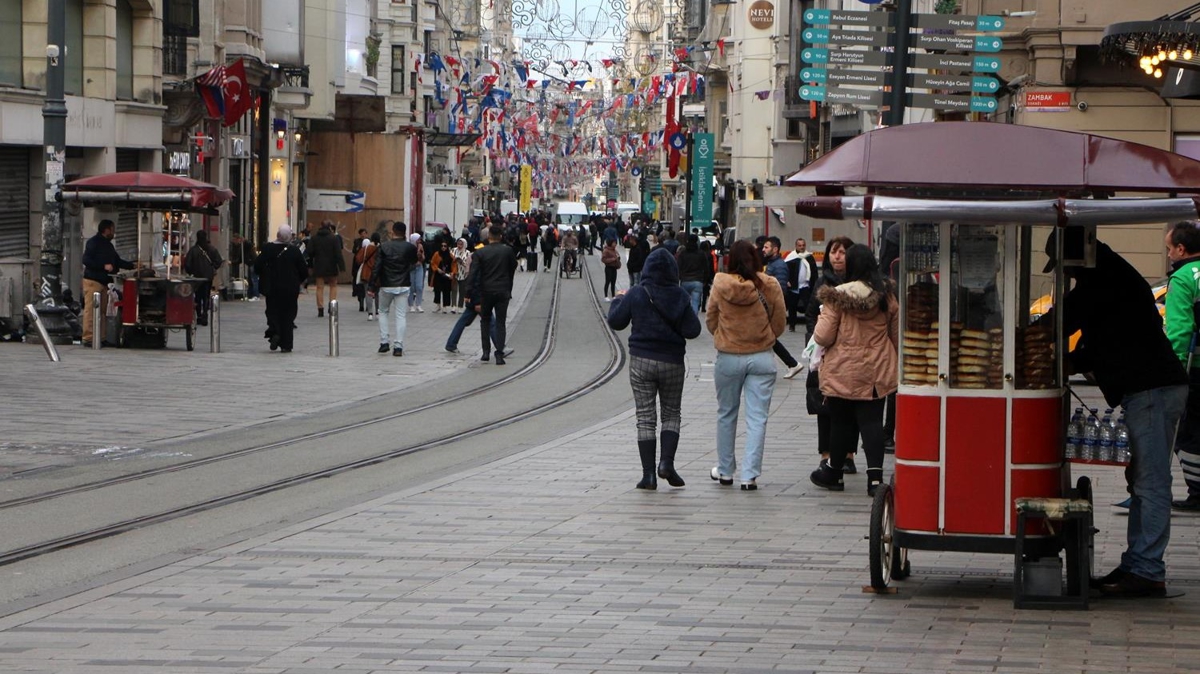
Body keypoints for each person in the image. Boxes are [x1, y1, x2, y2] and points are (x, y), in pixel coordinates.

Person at [1044, 228, 1187, 598]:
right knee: (1141, 479)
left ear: (1078, 259)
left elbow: (1064, 321)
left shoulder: (1102, 284)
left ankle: (1146, 570)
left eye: (1066, 268)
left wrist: (1050, 352)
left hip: (1153, 389)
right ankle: (1137, 562)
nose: (1069, 275)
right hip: (1151, 388)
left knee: (1151, 482)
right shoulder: (1112, 275)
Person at [807, 244, 899, 496]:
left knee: (840, 422)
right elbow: (896, 336)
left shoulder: (837, 297)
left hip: (843, 369)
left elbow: (823, 336)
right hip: (876, 370)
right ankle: (875, 479)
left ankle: (833, 472)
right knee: (871, 422)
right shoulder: (886, 296)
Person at [607, 247, 702, 490]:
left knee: (645, 417)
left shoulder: (637, 292)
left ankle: (648, 475)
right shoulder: (680, 295)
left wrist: (619, 298)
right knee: (671, 413)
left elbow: (616, 321)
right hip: (672, 361)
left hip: (642, 361)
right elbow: (693, 331)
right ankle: (667, 464)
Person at [706, 239, 787, 491]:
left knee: (726, 414)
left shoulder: (720, 284)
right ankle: (749, 476)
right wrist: (765, 336)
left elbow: (711, 319)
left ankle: (725, 470)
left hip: (729, 356)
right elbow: (780, 321)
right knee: (757, 418)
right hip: (762, 356)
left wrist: (725, 335)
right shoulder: (770, 285)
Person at [806, 236, 855, 472]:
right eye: (834, 252)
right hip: (825, 350)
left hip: (851, 353)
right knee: (824, 406)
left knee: (853, 404)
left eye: (842, 252)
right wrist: (814, 342)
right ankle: (826, 453)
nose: (837, 256)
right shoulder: (822, 282)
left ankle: (848, 455)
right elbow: (809, 313)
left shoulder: (859, 283)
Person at [1163, 221, 1200, 511]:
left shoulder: (1183, 278)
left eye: (1169, 249)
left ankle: (1197, 491)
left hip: (1195, 365)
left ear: (1181, 249)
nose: (1168, 255)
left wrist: (1171, 369)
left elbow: (1179, 329)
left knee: (1188, 431)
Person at [253, 225, 309, 352]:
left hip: (272, 287)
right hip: (290, 288)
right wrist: (298, 281)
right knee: (288, 315)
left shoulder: (268, 248)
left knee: (272, 311)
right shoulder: (294, 251)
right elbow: (304, 271)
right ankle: (286, 344)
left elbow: (257, 266)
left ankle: (275, 331)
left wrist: (264, 276)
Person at [81, 219, 135, 347]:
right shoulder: (93, 242)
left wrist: (133, 265)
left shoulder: (109, 245)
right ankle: (88, 337)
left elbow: (117, 261)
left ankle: (101, 337)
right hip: (93, 281)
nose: (114, 232)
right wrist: (103, 266)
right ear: (106, 230)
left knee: (103, 311)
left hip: (104, 282)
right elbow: (86, 260)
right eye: (113, 229)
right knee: (90, 310)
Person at [470, 225, 519, 364]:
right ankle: (499, 353)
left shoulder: (481, 252)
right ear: (501, 237)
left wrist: (469, 293)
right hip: (503, 291)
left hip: (486, 291)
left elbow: (473, 274)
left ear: (488, 236)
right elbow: (513, 267)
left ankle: (486, 352)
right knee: (500, 322)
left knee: (485, 321)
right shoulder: (508, 251)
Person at [370, 222, 419, 356]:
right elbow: (414, 263)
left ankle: (384, 341)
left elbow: (376, 268)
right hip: (403, 284)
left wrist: (371, 286)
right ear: (404, 232)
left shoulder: (384, 247)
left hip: (386, 285)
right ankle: (398, 346)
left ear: (393, 232)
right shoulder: (410, 247)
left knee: (383, 311)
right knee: (400, 315)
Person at [761, 236, 804, 380]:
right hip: (768, 306)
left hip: (770, 307)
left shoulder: (779, 265)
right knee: (767, 338)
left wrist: (771, 307)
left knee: (768, 337)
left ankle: (792, 363)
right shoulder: (772, 264)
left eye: (766, 247)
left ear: (775, 249)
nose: (763, 249)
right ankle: (790, 364)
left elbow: (779, 289)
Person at [183, 229, 223, 326]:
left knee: (197, 296)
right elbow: (219, 261)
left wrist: (191, 272)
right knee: (206, 296)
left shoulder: (193, 250)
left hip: (197, 277)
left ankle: (199, 315)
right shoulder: (212, 249)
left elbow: (187, 264)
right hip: (207, 277)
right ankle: (205, 314)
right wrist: (212, 267)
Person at [309, 221, 345, 317]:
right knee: (333, 286)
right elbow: (338, 253)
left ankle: (320, 308)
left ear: (320, 227)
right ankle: (331, 306)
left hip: (319, 265)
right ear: (329, 228)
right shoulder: (334, 238)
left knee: (319, 287)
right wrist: (341, 266)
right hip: (331, 266)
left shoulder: (314, 238)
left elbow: (310, 252)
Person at [784, 237, 817, 332]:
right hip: (793, 287)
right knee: (792, 307)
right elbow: (786, 271)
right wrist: (787, 280)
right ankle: (792, 325)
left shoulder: (809, 257)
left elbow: (814, 272)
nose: (801, 247)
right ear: (796, 246)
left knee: (808, 306)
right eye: (799, 245)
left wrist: (814, 284)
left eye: (803, 245)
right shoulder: (791, 257)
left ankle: (809, 326)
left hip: (805, 286)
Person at [676, 234, 710, 315]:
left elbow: (678, 267)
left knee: (685, 303)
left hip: (685, 280)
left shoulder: (683, 253)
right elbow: (706, 268)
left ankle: (685, 320)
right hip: (698, 280)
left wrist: (679, 278)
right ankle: (694, 320)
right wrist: (705, 280)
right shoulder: (701, 254)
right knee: (695, 303)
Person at [357, 232, 381, 320]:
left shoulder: (367, 248)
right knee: (377, 293)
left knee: (368, 293)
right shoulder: (381, 248)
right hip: (378, 274)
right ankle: (378, 312)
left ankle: (370, 313)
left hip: (367, 273)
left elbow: (358, 259)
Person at [429, 240, 457, 312]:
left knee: (446, 291)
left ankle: (445, 306)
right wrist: (437, 269)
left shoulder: (450, 255)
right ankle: (438, 305)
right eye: (442, 246)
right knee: (437, 290)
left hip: (447, 275)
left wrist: (453, 273)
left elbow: (454, 265)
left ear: (447, 247)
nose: (443, 247)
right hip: (438, 275)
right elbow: (432, 262)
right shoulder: (437, 254)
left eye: (445, 246)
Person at [229, 233, 258, 300]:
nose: (234, 243)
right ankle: (250, 295)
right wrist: (232, 262)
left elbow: (250, 245)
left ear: (238, 239)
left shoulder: (245, 244)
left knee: (254, 280)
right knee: (250, 280)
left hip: (252, 263)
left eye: (234, 241)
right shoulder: (241, 247)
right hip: (250, 264)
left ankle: (256, 295)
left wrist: (244, 241)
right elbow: (240, 258)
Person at [450, 238, 472, 314]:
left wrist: (462, 262)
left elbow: (468, 264)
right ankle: (453, 306)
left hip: (463, 274)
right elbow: (449, 260)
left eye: (461, 244)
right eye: (458, 244)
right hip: (455, 272)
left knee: (462, 291)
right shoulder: (453, 250)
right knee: (454, 290)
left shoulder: (467, 253)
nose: (459, 246)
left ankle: (460, 306)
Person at [407, 232, 427, 312]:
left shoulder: (420, 246)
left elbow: (423, 257)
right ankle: (411, 305)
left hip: (419, 267)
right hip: (411, 268)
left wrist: (421, 255)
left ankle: (418, 304)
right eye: (418, 239)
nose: (419, 241)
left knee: (419, 286)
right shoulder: (409, 247)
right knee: (411, 287)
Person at [351, 227, 370, 312]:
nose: (363, 235)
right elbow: (354, 252)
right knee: (360, 287)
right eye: (361, 233)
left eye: (364, 233)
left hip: (367, 269)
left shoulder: (370, 242)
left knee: (366, 287)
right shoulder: (357, 242)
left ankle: (367, 304)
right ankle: (361, 303)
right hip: (358, 268)